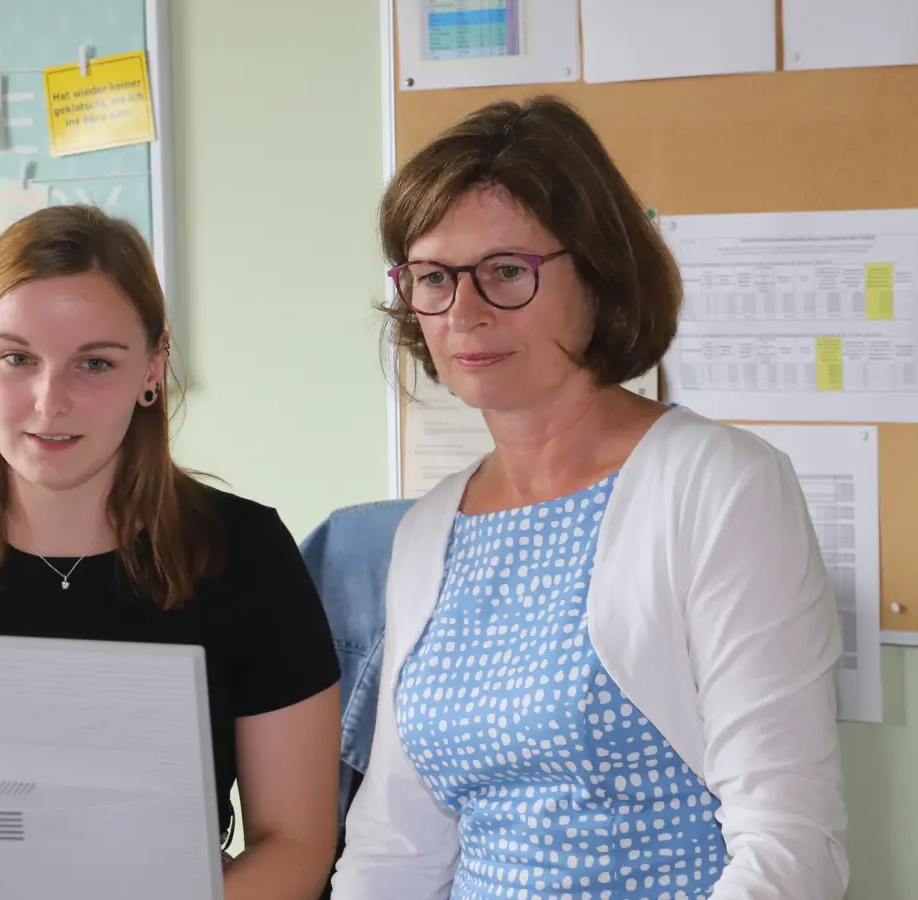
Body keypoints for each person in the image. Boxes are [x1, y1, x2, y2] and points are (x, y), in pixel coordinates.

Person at [331, 96, 849, 900]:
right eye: (434, 277)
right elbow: (396, 840)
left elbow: (790, 843)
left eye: (507, 271)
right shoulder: (431, 528)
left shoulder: (720, 485)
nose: (465, 312)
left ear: (601, 276)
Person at [0, 204, 343, 900]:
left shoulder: (245, 553)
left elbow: (298, 846)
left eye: (94, 363)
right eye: (16, 359)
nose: (49, 401)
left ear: (153, 368)